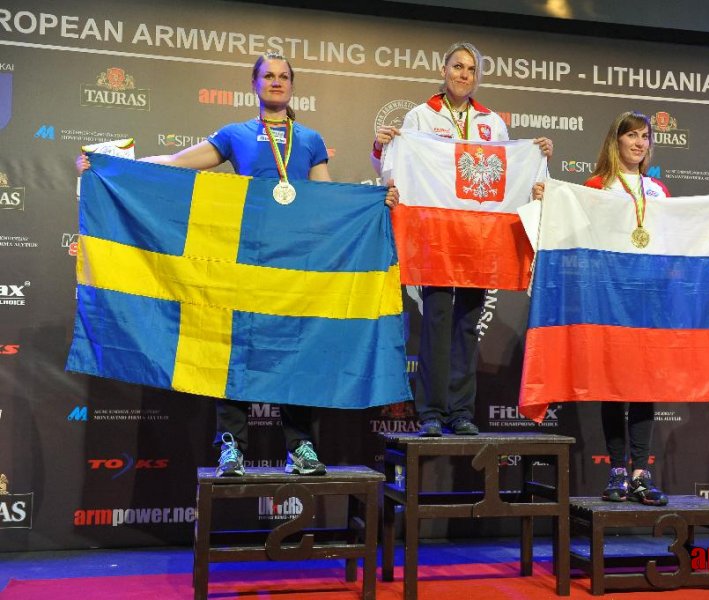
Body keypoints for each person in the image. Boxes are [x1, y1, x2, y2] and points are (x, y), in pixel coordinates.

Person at [76, 52, 398, 478]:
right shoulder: (236, 134)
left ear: (293, 86)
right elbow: (177, 165)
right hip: (244, 258)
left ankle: (300, 446)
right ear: (255, 84)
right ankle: (231, 447)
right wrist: (114, 167)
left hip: (297, 264)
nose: (277, 82)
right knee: (233, 348)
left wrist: (374, 201)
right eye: (269, 76)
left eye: (284, 77)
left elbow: (326, 199)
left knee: (297, 348)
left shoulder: (310, 139)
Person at [372, 41, 552, 437]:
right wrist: (383, 145)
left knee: (468, 324)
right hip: (437, 234)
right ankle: (432, 412)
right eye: (457, 67)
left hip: (479, 236)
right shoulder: (421, 116)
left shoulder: (493, 123)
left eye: (471, 69)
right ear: (444, 69)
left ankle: (461, 412)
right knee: (436, 319)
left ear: (477, 77)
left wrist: (536, 160)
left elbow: (507, 172)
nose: (463, 75)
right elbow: (396, 165)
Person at [582, 111, 670, 505]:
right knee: (614, 385)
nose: (638, 142)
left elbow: (675, 238)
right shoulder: (596, 186)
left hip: (648, 299)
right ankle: (617, 470)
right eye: (631, 135)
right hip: (609, 297)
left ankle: (640, 474)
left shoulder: (658, 191)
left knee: (643, 386)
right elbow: (577, 236)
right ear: (615, 141)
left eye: (645, 137)